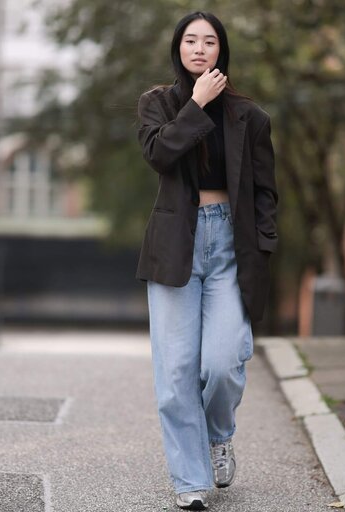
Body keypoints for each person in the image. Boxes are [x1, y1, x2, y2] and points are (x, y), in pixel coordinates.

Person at [136, 10, 278, 511]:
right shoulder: (159, 103)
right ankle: (190, 481)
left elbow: (265, 193)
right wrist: (196, 105)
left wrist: (263, 245)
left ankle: (219, 437)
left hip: (229, 246)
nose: (199, 49)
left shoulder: (250, 117)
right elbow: (159, 154)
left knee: (222, 362)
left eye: (209, 41)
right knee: (176, 373)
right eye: (190, 40)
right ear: (178, 48)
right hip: (177, 243)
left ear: (222, 51)